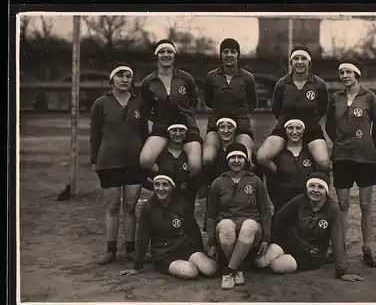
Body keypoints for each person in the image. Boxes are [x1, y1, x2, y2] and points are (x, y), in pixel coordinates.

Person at [254, 172, 365, 282]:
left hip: (310, 254)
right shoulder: (299, 200)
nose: (315, 190)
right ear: (307, 188)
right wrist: (271, 239)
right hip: (291, 243)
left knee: (276, 266)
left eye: (320, 187)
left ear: (326, 191)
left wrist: (342, 271)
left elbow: (338, 241)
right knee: (260, 262)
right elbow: (278, 218)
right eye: (312, 186)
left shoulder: (333, 210)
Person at [89, 62, 149, 265]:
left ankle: (130, 248)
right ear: (112, 79)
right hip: (109, 162)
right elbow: (94, 134)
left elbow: (144, 133)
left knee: (130, 207)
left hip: (134, 162)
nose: (125, 80)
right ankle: (110, 249)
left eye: (128, 76)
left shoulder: (138, 102)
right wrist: (94, 159)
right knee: (113, 206)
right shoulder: (101, 103)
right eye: (120, 76)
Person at [325, 60, 376, 268]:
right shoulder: (335, 98)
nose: (344, 75)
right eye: (341, 72)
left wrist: (368, 145)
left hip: (365, 158)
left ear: (357, 74)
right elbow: (330, 126)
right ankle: (340, 248)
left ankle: (367, 249)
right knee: (342, 204)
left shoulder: (369, 97)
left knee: (366, 205)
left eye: (348, 71)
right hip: (342, 157)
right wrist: (341, 142)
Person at [117, 172, 217, 280]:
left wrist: (199, 251)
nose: (161, 189)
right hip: (165, 253)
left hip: (187, 247)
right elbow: (142, 236)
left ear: (172, 186)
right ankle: (176, 266)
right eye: (157, 185)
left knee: (210, 269)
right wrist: (137, 265)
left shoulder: (182, 204)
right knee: (190, 271)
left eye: (165, 185)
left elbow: (194, 230)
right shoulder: (148, 208)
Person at [205, 143, 271, 289]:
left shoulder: (255, 181)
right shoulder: (218, 182)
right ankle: (237, 269)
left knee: (248, 225)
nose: (236, 161)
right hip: (226, 233)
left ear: (246, 160)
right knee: (226, 224)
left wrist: (266, 238)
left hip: (251, 230)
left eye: (240, 157)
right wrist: (210, 243)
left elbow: (265, 212)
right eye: (232, 157)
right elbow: (210, 215)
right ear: (227, 160)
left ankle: (228, 272)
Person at [256, 45, 330, 174]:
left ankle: (315, 186)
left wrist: (310, 122)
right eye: (296, 59)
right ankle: (283, 178)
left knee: (324, 162)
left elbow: (323, 108)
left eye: (303, 59)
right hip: (285, 129)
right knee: (262, 157)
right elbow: (276, 109)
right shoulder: (282, 84)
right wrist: (287, 124)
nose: (300, 62)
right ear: (291, 62)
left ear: (309, 62)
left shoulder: (319, 84)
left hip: (311, 130)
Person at [138, 39, 203, 179]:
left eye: (169, 52)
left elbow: (193, 100)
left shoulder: (185, 78)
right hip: (161, 127)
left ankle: (186, 191)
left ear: (174, 55)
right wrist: (157, 119)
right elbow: (144, 107)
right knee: (145, 161)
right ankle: (167, 181)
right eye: (162, 52)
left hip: (186, 126)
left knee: (195, 165)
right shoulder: (148, 82)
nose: (166, 55)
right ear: (156, 55)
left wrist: (186, 117)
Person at [203, 38, 258, 167]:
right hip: (216, 125)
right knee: (207, 158)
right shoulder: (211, 77)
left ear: (238, 55)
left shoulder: (248, 78)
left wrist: (237, 113)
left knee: (245, 159)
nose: (229, 55)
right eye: (225, 51)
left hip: (241, 127)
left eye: (233, 52)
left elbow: (252, 104)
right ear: (220, 55)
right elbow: (208, 101)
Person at [264, 117, 320, 213]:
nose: (294, 132)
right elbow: (271, 183)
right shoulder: (278, 154)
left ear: (304, 130)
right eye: (290, 128)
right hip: (283, 205)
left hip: (307, 207)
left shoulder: (310, 153)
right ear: (285, 130)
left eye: (298, 128)